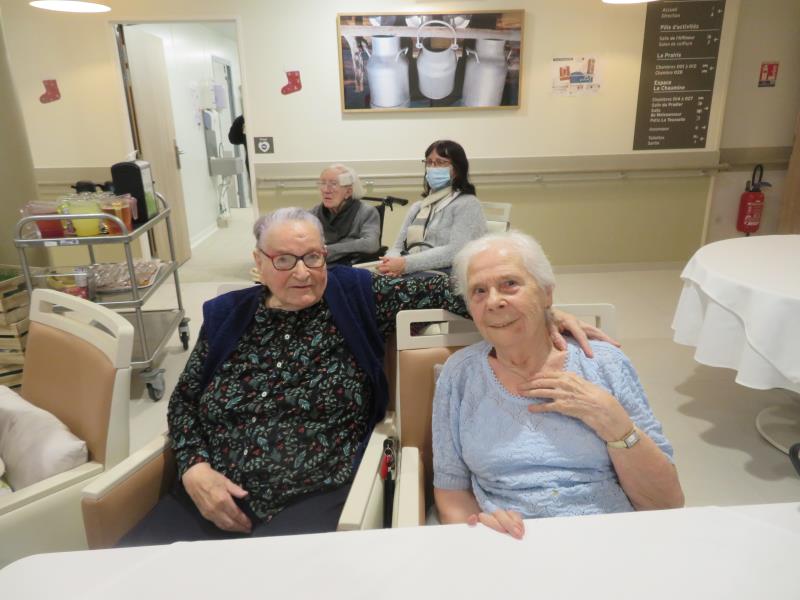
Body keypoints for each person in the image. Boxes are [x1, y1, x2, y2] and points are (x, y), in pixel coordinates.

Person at [120, 209, 612, 545]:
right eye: (284, 260)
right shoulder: (227, 316)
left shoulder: (356, 294)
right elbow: (185, 402)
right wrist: (194, 468)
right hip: (207, 493)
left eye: (313, 257)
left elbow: (450, 289)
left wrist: (542, 311)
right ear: (259, 263)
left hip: (316, 495)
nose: (302, 273)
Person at [433, 231, 684, 539]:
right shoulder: (459, 375)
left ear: (547, 293)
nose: (494, 301)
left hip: (608, 537)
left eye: (510, 283)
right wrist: (478, 530)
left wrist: (615, 423)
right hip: (510, 542)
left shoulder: (603, 363)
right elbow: (452, 491)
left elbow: (666, 503)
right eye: (479, 291)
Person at [378, 140, 487, 276]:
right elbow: (397, 247)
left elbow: (457, 252)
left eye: (440, 162)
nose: (433, 167)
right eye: (429, 162)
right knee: (364, 278)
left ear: (457, 170)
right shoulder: (418, 207)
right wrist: (390, 264)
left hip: (446, 276)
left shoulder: (467, 204)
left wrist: (405, 264)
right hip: (411, 271)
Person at [309, 164, 381, 265]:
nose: (325, 190)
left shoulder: (366, 212)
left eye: (333, 184)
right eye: (323, 183)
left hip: (351, 267)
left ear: (348, 192)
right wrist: (351, 242)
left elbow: (371, 244)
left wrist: (328, 250)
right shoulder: (313, 214)